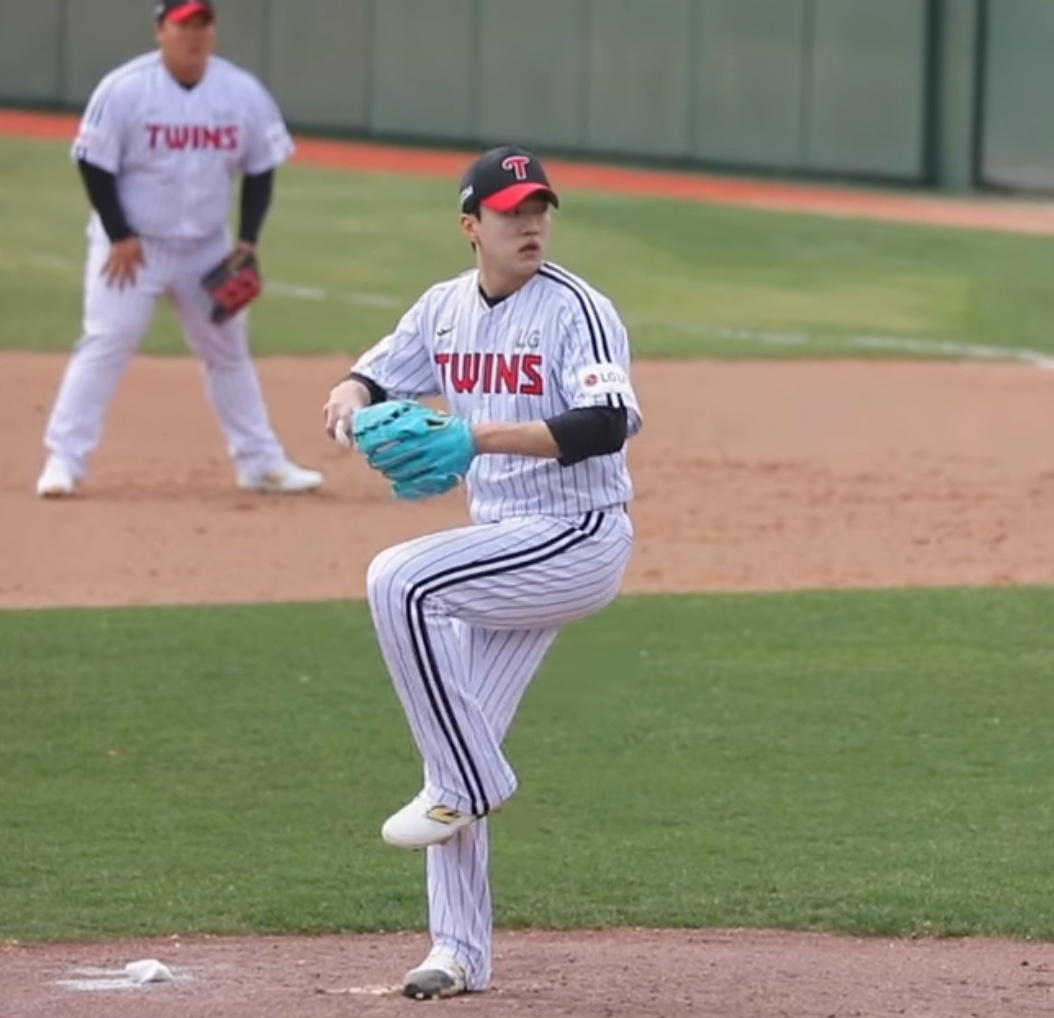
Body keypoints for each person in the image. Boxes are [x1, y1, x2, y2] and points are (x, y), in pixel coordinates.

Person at [323, 145, 643, 1000]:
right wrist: (349, 402)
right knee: (453, 748)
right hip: (505, 547)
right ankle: (457, 952)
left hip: (576, 537)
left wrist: (474, 437)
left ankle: (476, 780)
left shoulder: (576, 308)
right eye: (510, 211)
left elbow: (606, 424)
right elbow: (371, 375)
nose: (530, 223)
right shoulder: (443, 310)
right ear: (472, 225)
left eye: (539, 208)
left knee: (400, 579)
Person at [35, 0, 322, 498]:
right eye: (183, 24)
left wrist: (247, 241)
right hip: (133, 248)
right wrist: (119, 234)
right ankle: (63, 459)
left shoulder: (241, 92)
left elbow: (260, 168)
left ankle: (260, 462)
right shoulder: (125, 89)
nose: (194, 34)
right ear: (160, 30)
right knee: (105, 342)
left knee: (228, 353)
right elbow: (93, 162)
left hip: (207, 249)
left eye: (202, 24)